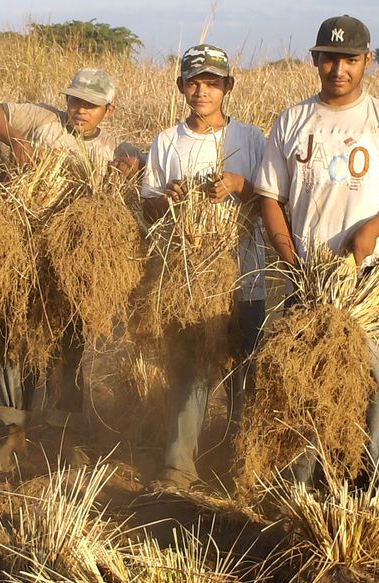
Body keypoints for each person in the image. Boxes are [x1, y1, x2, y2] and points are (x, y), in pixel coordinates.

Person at [254, 15, 379, 504]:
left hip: (368, 283)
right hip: (308, 281)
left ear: (368, 60)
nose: (339, 68)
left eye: (350, 59)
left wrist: (370, 231)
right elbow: (270, 196)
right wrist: (290, 259)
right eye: (330, 58)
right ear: (315, 60)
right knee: (301, 383)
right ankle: (298, 487)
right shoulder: (291, 121)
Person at [0, 68, 143, 465]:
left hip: (70, 266)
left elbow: (143, 164)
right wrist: (15, 141)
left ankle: (63, 436)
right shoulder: (42, 119)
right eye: (75, 100)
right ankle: (14, 432)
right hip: (24, 254)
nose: (79, 110)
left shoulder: (112, 150)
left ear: (109, 110)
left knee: (68, 347)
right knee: (14, 342)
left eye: (91, 105)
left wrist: (130, 173)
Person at [142, 44, 267, 489]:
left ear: (228, 87)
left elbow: (273, 197)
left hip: (247, 274)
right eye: (194, 81)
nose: (202, 90)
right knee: (191, 367)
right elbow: (149, 204)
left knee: (245, 368)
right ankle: (179, 466)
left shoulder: (251, 139)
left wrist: (240, 184)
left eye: (212, 82)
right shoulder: (167, 141)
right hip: (191, 277)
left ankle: (241, 463)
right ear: (181, 87)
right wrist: (166, 198)